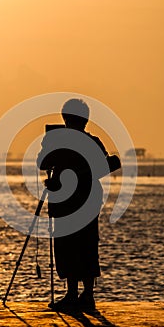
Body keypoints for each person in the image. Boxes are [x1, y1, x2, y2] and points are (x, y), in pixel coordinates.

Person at [37, 99, 114, 311]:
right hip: (81, 200)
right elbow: (43, 163)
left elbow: (41, 163)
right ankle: (83, 295)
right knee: (83, 245)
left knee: (73, 245)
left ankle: (78, 294)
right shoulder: (90, 141)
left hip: (73, 200)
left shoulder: (64, 140)